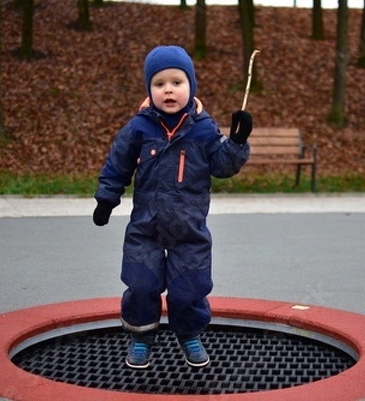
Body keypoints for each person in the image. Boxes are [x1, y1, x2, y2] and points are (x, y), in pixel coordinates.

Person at [92, 45, 253, 369]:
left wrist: (236, 143)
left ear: (190, 86)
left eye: (176, 82)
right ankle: (141, 336)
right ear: (149, 90)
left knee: (189, 288)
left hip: (188, 227)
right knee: (140, 284)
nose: (168, 89)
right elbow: (117, 164)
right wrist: (106, 199)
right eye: (159, 83)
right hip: (146, 227)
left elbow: (221, 166)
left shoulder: (203, 129)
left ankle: (189, 333)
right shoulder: (138, 128)